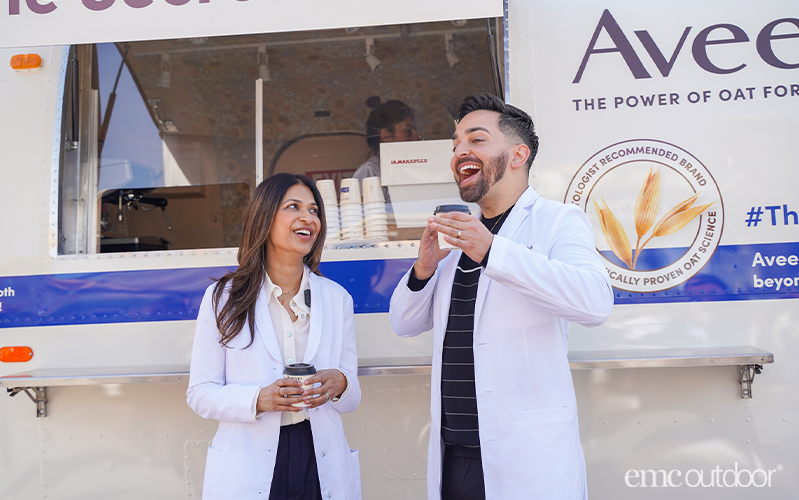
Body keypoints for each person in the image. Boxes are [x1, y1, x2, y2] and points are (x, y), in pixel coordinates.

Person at [389, 93, 614, 500]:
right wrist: (423, 270)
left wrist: (492, 251)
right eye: (456, 144)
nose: (460, 152)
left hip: (525, 457)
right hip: (454, 454)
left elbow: (595, 302)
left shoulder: (557, 221)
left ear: (517, 154)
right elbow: (403, 323)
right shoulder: (459, 233)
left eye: (476, 140)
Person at [187, 173, 361, 500]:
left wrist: (340, 383)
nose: (307, 217)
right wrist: (257, 399)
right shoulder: (223, 297)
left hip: (319, 456)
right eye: (293, 207)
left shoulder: (337, 299)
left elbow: (351, 396)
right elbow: (200, 393)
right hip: (251, 462)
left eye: (314, 210)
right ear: (264, 217)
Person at [353, 98, 420, 204]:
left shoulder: (409, 168)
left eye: (415, 131)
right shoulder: (370, 171)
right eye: (408, 131)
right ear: (386, 135)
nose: (416, 137)